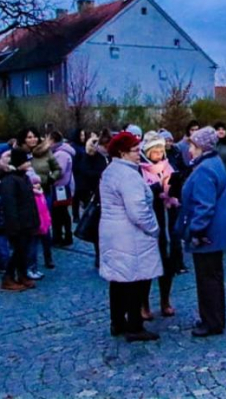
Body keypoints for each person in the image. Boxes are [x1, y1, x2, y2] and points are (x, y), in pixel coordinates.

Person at [99, 132, 162, 342]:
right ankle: (135, 325)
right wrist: (154, 228)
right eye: (135, 150)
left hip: (113, 233)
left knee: (118, 280)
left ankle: (117, 322)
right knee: (136, 279)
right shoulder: (128, 176)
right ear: (123, 153)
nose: (139, 154)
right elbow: (138, 211)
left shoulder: (111, 171)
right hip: (131, 235)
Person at [174, 127, 226, 337]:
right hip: (215, 233)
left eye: (191, 145)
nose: (189, 149)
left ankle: (212, 322)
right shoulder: (213, 163)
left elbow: (204, 206)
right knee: (213, 277)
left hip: (208, 235)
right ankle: (215, 318)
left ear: (200, 146)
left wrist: (195, 230)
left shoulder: (205, 169)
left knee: (207, 279)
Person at [139, 132, 182, 320]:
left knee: (167, 262)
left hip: (168, 218)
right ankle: (144, 304)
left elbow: (173, 186)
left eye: (160, 150)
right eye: (154, 151)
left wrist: (172, 190)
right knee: (148, 264)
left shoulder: (168, 167)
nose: (158, 154)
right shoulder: (140, 170)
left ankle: (165, 300)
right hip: (150, 221)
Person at [17, 127, 61, 280]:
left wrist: (49, 179)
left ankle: (48, 256)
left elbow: (57, 169)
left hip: (44, 192)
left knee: (44, 227)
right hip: (26, 195)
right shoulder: (19, 153)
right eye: (29, 137)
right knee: (31, 230)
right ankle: (29, 264)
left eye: (34, 136)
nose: (32, 140)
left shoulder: (45, 152)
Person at [0, 148, 40, 291]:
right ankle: (8, 277)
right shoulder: (9, 180)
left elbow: (30, 201)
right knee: (18, 251)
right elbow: (10, 206)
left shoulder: (24, 177)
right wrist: (14, 226)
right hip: (18, 224)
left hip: (27, 222)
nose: (28, 163)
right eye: (26, 161)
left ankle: (22, 275)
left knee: (23, 251)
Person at [81, 130, 112, 267]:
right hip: (95, 195)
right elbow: (85, 173)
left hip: (109, 196)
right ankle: (99, 255)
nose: (106, 149)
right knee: (97, 229)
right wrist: (103, 174)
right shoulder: (91, 156)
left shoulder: (111, 157)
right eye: (104, 146)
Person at [49, 131, 75, 249]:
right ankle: (61, 236)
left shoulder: (61, 154)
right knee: (61, 213)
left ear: (53, 140)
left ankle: (61, 237)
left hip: (60, 188)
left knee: (60, 214)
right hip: (62, 187)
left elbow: (59, 171)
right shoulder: (61, 152)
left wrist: (48, 176)